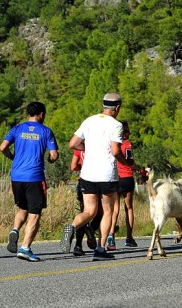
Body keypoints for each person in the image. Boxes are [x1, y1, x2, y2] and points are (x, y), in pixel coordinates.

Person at [61, 92, 134, 261]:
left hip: (87, 174)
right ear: (117, 108)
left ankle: (72, 226)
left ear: (103, 105)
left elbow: (72, 144)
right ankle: (100, 249)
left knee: (89, 211)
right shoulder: (116, 125)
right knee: (107, 211)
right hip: (107, 175)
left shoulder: (89, 121)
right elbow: (115, 150)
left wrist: (89, 147)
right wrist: (126, 162)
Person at [0, 102, 59, 262]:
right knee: (35, 214)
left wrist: (13, 157)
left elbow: (2, 146)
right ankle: (25, 248)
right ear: (41, 114)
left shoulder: (17, 129)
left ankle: (15, 229)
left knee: (22, 207)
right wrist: (50, 159)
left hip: (17, 176)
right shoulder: (46, 131)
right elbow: (53, 154)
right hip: (34, 177)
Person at [107, 121, 138, 250]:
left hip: (114, 177)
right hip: (126, 177)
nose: (129, 133)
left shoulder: (111, 143)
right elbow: (130, 161)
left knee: (114, 209)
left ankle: (111, 235)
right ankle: (129, 237)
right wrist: (136, 167)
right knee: (129, 208)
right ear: (124, 132)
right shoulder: (127, 144)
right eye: (127, 131)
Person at [70, 149, 102, 256]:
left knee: (85, 213)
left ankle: (78, 246)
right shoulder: (98, 144)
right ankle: (91, 230)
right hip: (98, 180)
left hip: (82, 181)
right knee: (101, 213)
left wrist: (82, 167)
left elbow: (73, 166)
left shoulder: (79, 148)